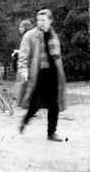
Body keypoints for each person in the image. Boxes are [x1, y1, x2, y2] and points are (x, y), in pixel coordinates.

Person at [17, 9, 66, 142]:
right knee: (35, 103)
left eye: (43, 20)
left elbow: (57, 56)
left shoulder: (53, 34)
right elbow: (23, 55)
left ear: (50, 21)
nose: (40, 23)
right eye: (38, 20)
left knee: (54, 104)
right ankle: (25, 121)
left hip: (53, 73)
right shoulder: (30, 35)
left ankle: (52, 133)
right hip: (37, 74)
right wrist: (23, 70)